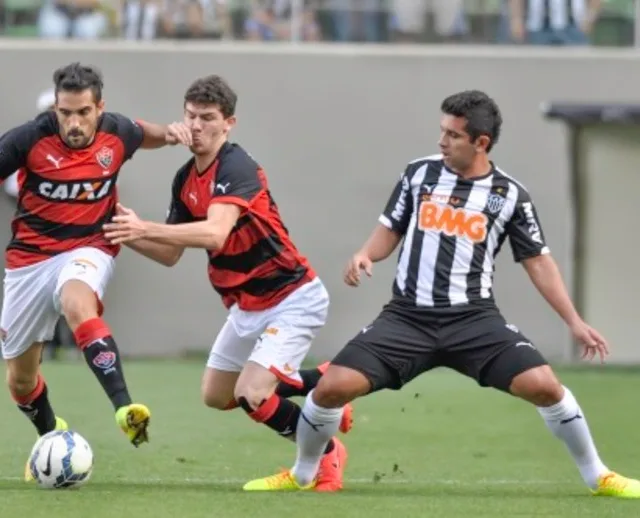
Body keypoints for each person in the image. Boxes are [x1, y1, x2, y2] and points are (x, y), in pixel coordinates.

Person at [241, 89, 640, 497]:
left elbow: (538, 262)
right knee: (330, 390)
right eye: (441, 131)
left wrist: (574, 321)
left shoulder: (510, 196)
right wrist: (366, 254)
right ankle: (304, 473)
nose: (441, 141)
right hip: (406, 318)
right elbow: (390, 228)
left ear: (480, 142)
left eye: (452, 135)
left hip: (474, 321)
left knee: (546, 387)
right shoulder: (420, 173)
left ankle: (599, 476)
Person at [102, 74, 353, 492]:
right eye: (190, 116)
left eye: (207, 118)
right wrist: (121, 233)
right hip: (246, 306)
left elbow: (215, 234)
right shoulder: (185, 179)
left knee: (253, 393)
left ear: (228, 123)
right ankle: (330, 383)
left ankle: (326, 456)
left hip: (292, 296)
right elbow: (170, 252)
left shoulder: (236, 165)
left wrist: (143, 226)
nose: (196, 126)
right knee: (218, 396)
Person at [0, 62, 192, 482]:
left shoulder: (118, 132)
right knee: (19, 380)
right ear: (55, 108)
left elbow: (149, 134)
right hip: (29, 260)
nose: (73, 122)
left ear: (99, 108)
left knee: (77, 302)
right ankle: (52, 434)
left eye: (82, 112)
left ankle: (124, 408)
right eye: (65, 112)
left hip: (89, 246)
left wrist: (175, 134)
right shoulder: (27, 139)